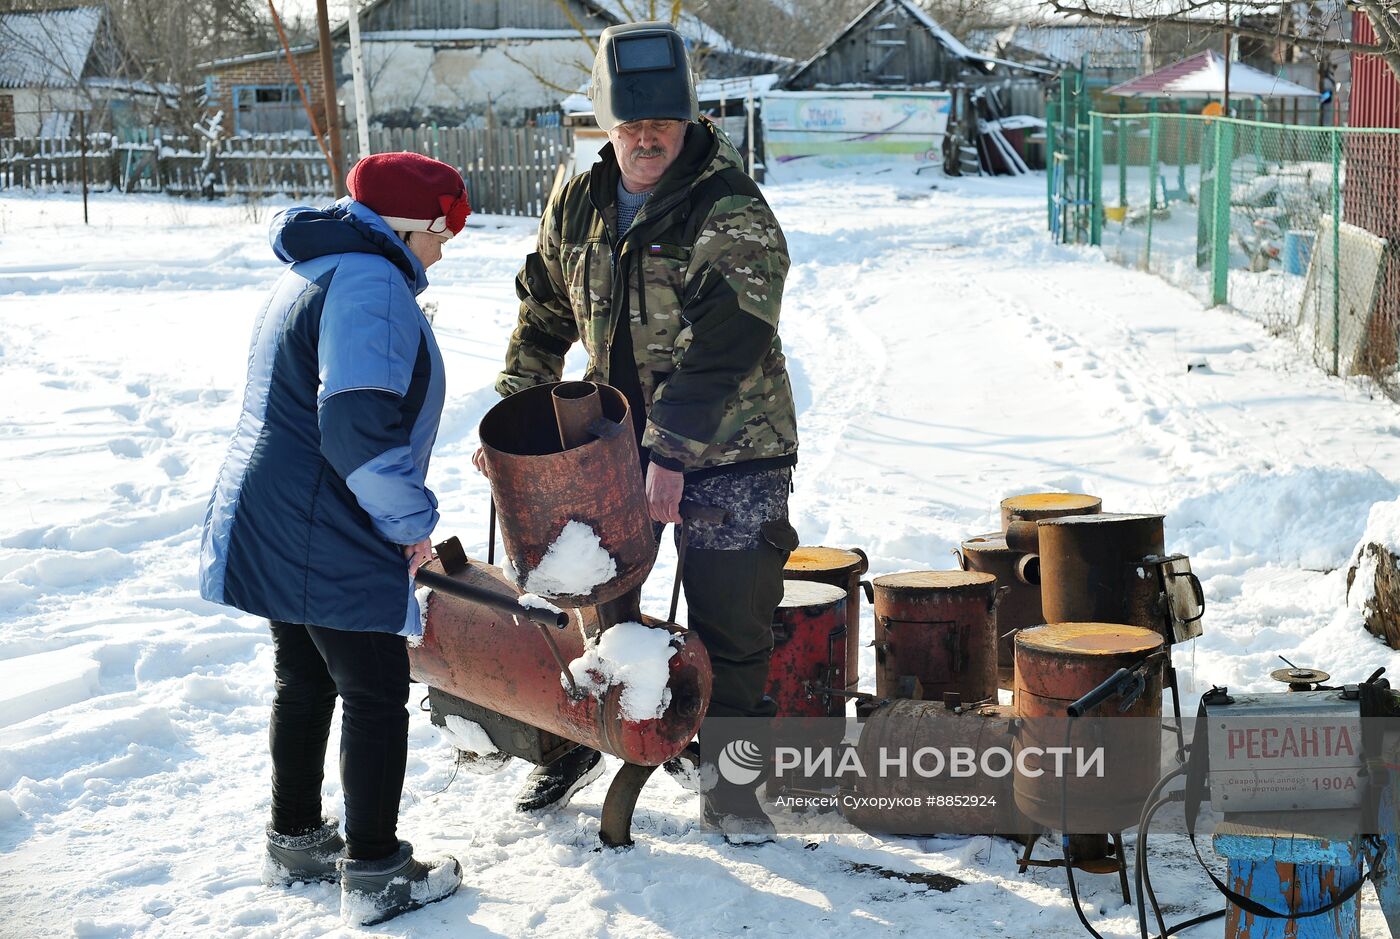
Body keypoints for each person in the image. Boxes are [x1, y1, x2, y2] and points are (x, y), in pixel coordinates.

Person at [485, 21, 799, 844]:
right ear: (606, 123)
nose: (649, 136)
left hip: (733, 449)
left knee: (730, 625)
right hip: (610, 448)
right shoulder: (580, 201)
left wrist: (672, 451)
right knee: (602, 613)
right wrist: (514, 419)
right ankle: (591, 740)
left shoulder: (726, 202)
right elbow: (543, 311)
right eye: (632, 125)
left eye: (663, 122)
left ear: (689, 118)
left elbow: (733, 335)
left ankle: (735, 791)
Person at [198, 152, 469, 925]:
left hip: (283, 511)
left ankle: (295, 837)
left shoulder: (318, 268)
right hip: (328, 518)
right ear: (412, 225)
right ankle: (378, 869)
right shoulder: (371, 283)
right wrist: (411, 524)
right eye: (443, 232)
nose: (444, 251)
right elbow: (355, 425)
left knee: (306, 674)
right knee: (376, 687)